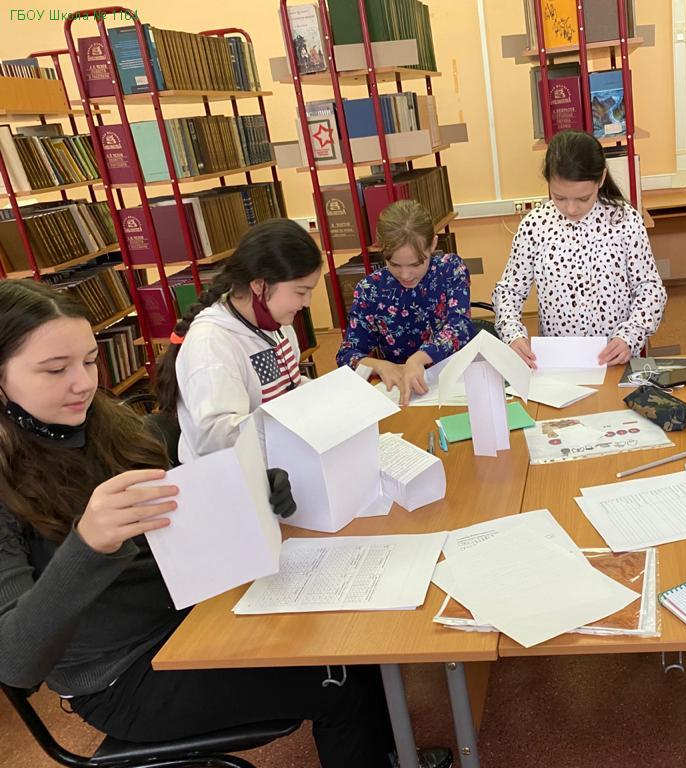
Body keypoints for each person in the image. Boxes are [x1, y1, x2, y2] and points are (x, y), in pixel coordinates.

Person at [0, 280, 410, 768]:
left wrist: (253, 488)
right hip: (124, 674)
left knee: (356, 641)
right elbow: (16, 664)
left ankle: (394, 754)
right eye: (55, 369)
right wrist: (86, 545)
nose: (83, 383)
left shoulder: (106, 423)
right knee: (340, 682)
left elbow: (182, 505)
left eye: (90, 361)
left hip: (191, 613)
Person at [492, 130, 667, 368]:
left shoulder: (624, 221)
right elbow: (509, 291)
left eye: (583, 198)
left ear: (601, 179)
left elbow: (650, 288)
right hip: (558, 362)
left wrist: (631, 334)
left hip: (614, 359)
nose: (571, 209)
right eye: (559, 197)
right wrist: (512, 334)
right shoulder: (535, 226)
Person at [156, 218, 322, 462]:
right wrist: (292, 419)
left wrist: (322, 396)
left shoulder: (277, 324)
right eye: (301, 292)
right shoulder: (211, 344)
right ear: (259, 285)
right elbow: (216, 438)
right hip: (230, 473)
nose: (306, 303)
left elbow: (288, 385)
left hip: (279, 458)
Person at [336, 199, 474, 405]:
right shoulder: (370, 289)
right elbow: (347, 355)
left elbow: (460, 327)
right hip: (405, 394)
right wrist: (378, 365)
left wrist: (418, 359)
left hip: (456, 384)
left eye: (416, 264)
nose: (405, 274)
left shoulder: (451, 270)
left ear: (433, 244)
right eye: (394, 264)